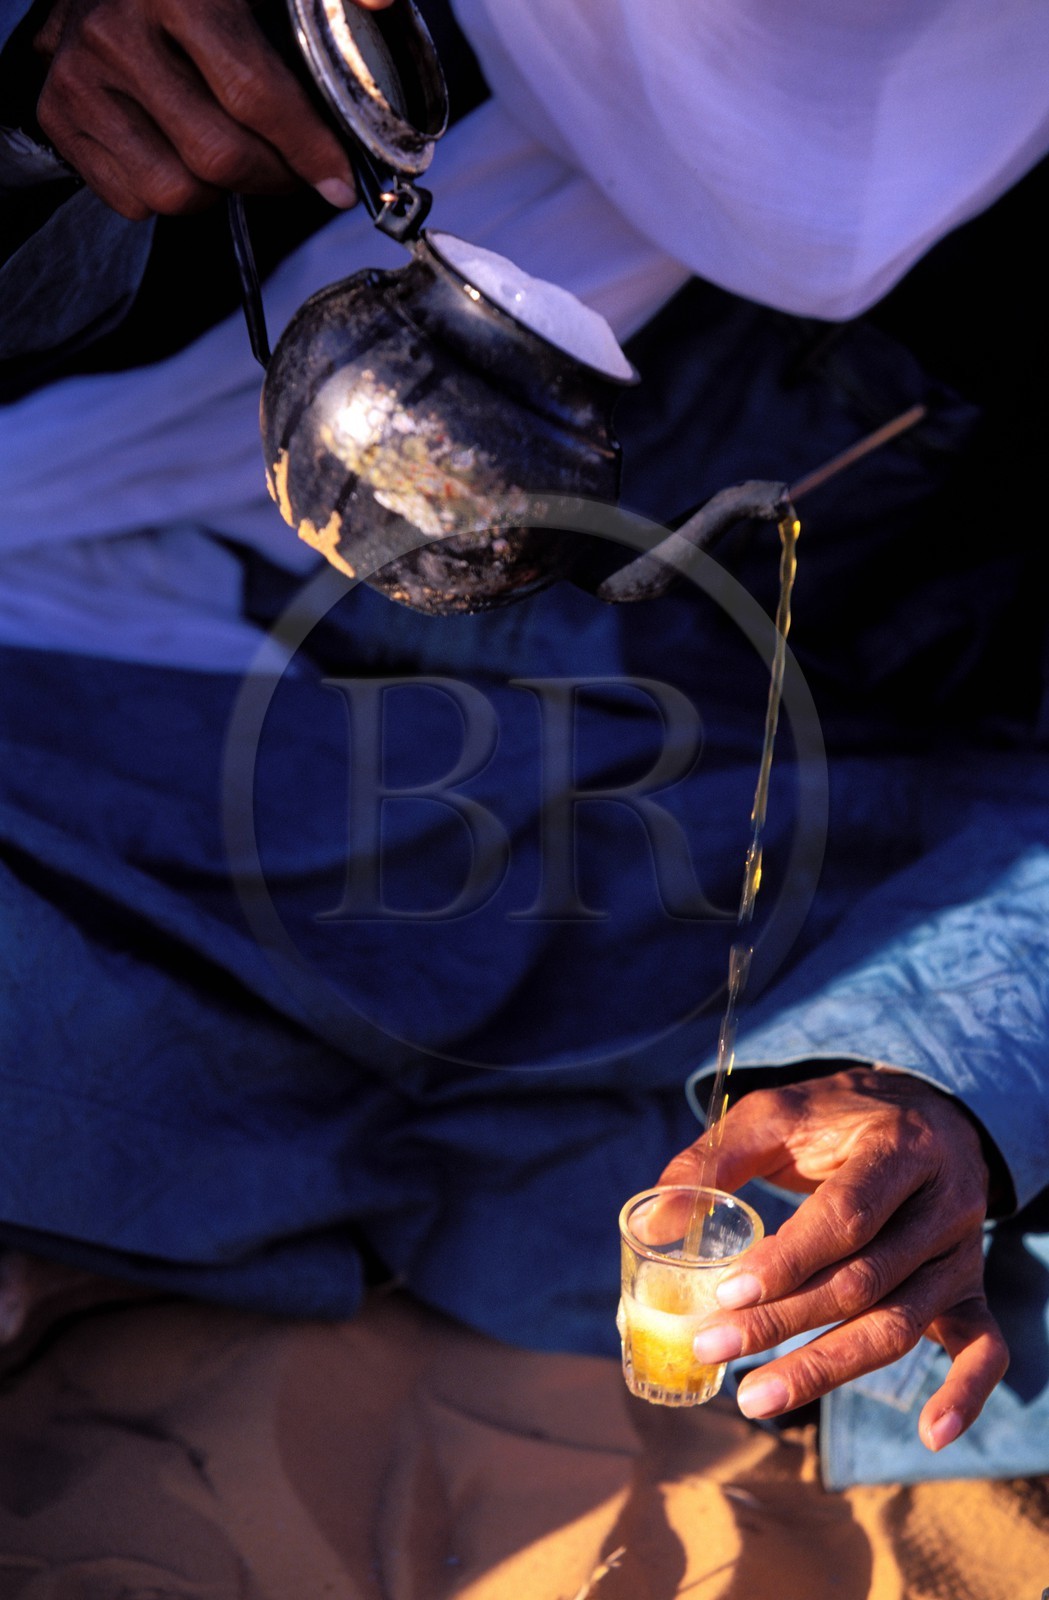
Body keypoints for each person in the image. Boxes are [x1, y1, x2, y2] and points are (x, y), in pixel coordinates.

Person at [1, 0, 1047, 1498]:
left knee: (915, 1256)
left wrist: (926, 1078)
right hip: (73, 714)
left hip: (688, 911)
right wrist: (38, 98)